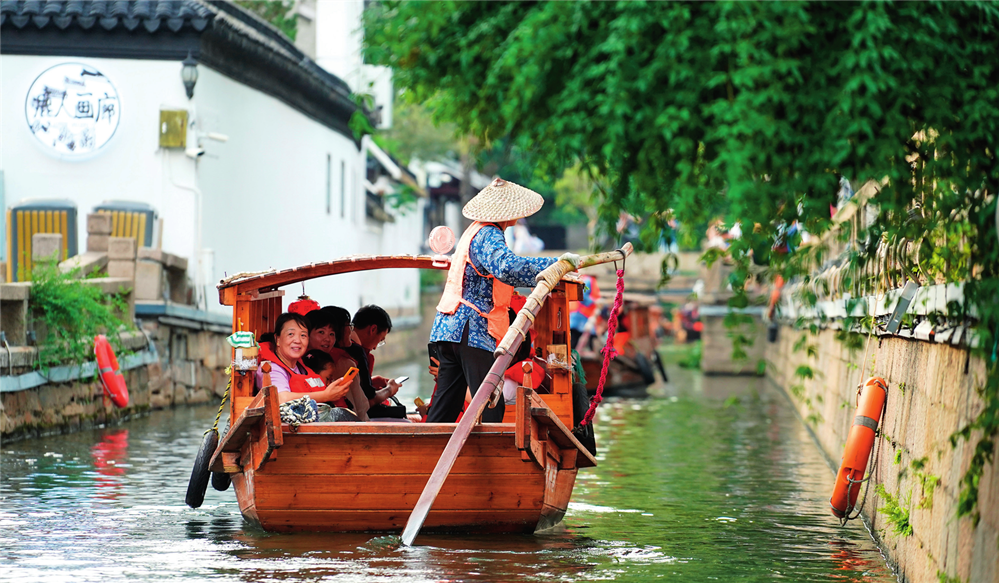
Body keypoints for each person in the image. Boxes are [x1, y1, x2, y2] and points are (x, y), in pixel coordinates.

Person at [427, 177, 581, 423]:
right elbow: (507, 268)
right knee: (490, 405)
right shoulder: (488, 233)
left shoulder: (474, 232)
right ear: (508, 213)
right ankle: (484, 462)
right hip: (471, 331)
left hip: (448, 329)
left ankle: (428, 455)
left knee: (445, 406)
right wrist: (557, 264)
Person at [256, 312, 352, 405]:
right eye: (290, 334)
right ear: (277, 339)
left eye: (303, 335)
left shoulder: (302, 366)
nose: (297, 341)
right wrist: (325, 396)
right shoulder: (271, 368)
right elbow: (280, 399)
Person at [345, 304, 404, 418]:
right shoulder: (357, 351)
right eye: (380, 340)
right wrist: (389, 390)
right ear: (373, 329)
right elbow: (368, 400)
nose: (375, 347)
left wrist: (371, 382)